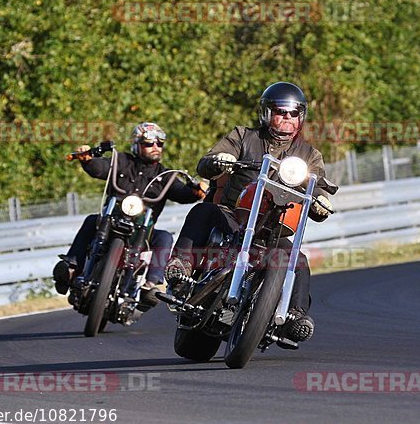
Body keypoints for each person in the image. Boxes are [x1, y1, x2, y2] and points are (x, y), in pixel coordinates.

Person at [164, 82, 335, 343]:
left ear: (301, 116)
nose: (286, 118)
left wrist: (320, 202)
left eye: (292, 113)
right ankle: (181, 266)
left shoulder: (308, 154)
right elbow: (209, 161)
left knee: (297, 259)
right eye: (280, 112)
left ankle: (295, 316)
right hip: (233, 217)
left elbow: (318, 185)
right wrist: (219, 160)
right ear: (266, 113)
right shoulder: (244, 136)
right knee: (203, 211)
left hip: (272, 229)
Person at [53, 122, 205, 308]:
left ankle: (152, 285)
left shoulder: (165, 176)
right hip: (113, 219)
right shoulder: (122, 161)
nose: (155, 147)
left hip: (143, 229)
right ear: (137, 145)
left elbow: (183, 194)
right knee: (92, 220)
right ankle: (71, 267)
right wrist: (87, 159)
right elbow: (100, 168)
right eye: (149, 143)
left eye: (159, 144)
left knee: (164, 237)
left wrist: (197, 191)